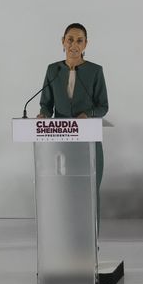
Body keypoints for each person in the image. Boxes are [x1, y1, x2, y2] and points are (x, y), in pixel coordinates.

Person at [37, 23, 109, 221]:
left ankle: (90, 237)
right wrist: (43, 114)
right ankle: (64, 235)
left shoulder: (95, 71)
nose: (74, 45)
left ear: (85, 44)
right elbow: (46, 104)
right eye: (70, 40)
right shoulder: (53, 70)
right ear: (63, 41)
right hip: (60, 143)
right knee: (63, 191)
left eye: (79, 40)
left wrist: (88, 114)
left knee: (89, 191)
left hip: (88, 141)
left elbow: (103, 106)